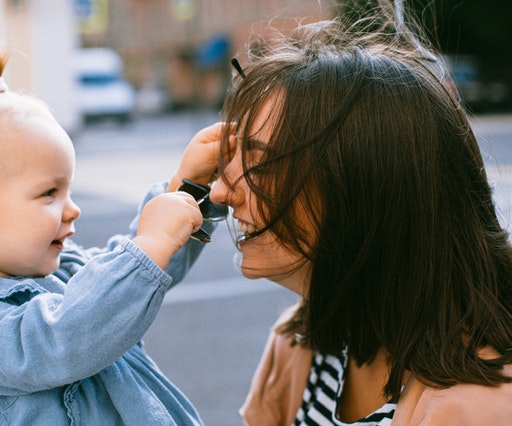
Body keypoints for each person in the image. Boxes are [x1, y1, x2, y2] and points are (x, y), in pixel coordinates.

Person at [208, 2, 512, 425]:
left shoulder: (482, 409)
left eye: (260, 165)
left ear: (365, 189)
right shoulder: (301, 341)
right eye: (230, 158)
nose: (220, 191)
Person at [0, 46, 223, 425]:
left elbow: (129, 275)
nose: (72, 208)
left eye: (67, 191)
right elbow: (66, 336)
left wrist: (189, 188)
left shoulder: (60, 275)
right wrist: (151, 244)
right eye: (49, 193)